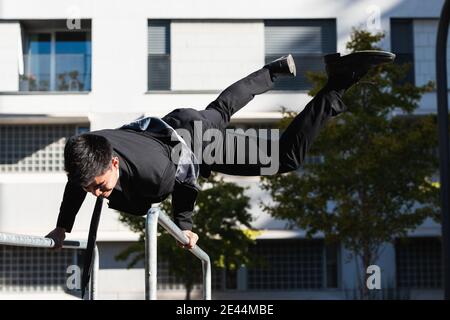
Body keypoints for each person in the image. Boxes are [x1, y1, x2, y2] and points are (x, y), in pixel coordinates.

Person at [45, 51, 395, 250]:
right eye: (93, 188)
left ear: (115, 161)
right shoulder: (89, 155)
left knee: (286, 157)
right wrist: (63, 226)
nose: (98, 193)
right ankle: (273, 70)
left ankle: (338, 84)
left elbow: (187, 177)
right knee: (221, 110)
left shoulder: (155, 171)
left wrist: (184, 225)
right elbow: (75, 183)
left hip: (197, 145)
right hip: (174, 125)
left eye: (101, 186)